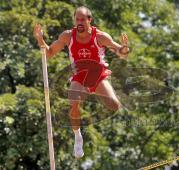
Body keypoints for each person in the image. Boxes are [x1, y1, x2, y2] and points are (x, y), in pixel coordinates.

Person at [33, 6, 129, 158]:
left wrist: (124, 49)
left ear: (89, 20)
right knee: (73, 103)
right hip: (79, 76)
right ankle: (78, 136)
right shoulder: (67, 36)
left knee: (114, 105)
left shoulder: (100, 36)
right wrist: (40, 39)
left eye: (82, 19)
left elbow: (120, 52)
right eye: (77, 19)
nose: (79, 22)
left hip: (98, 75)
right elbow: (49, 53)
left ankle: (95, 94)